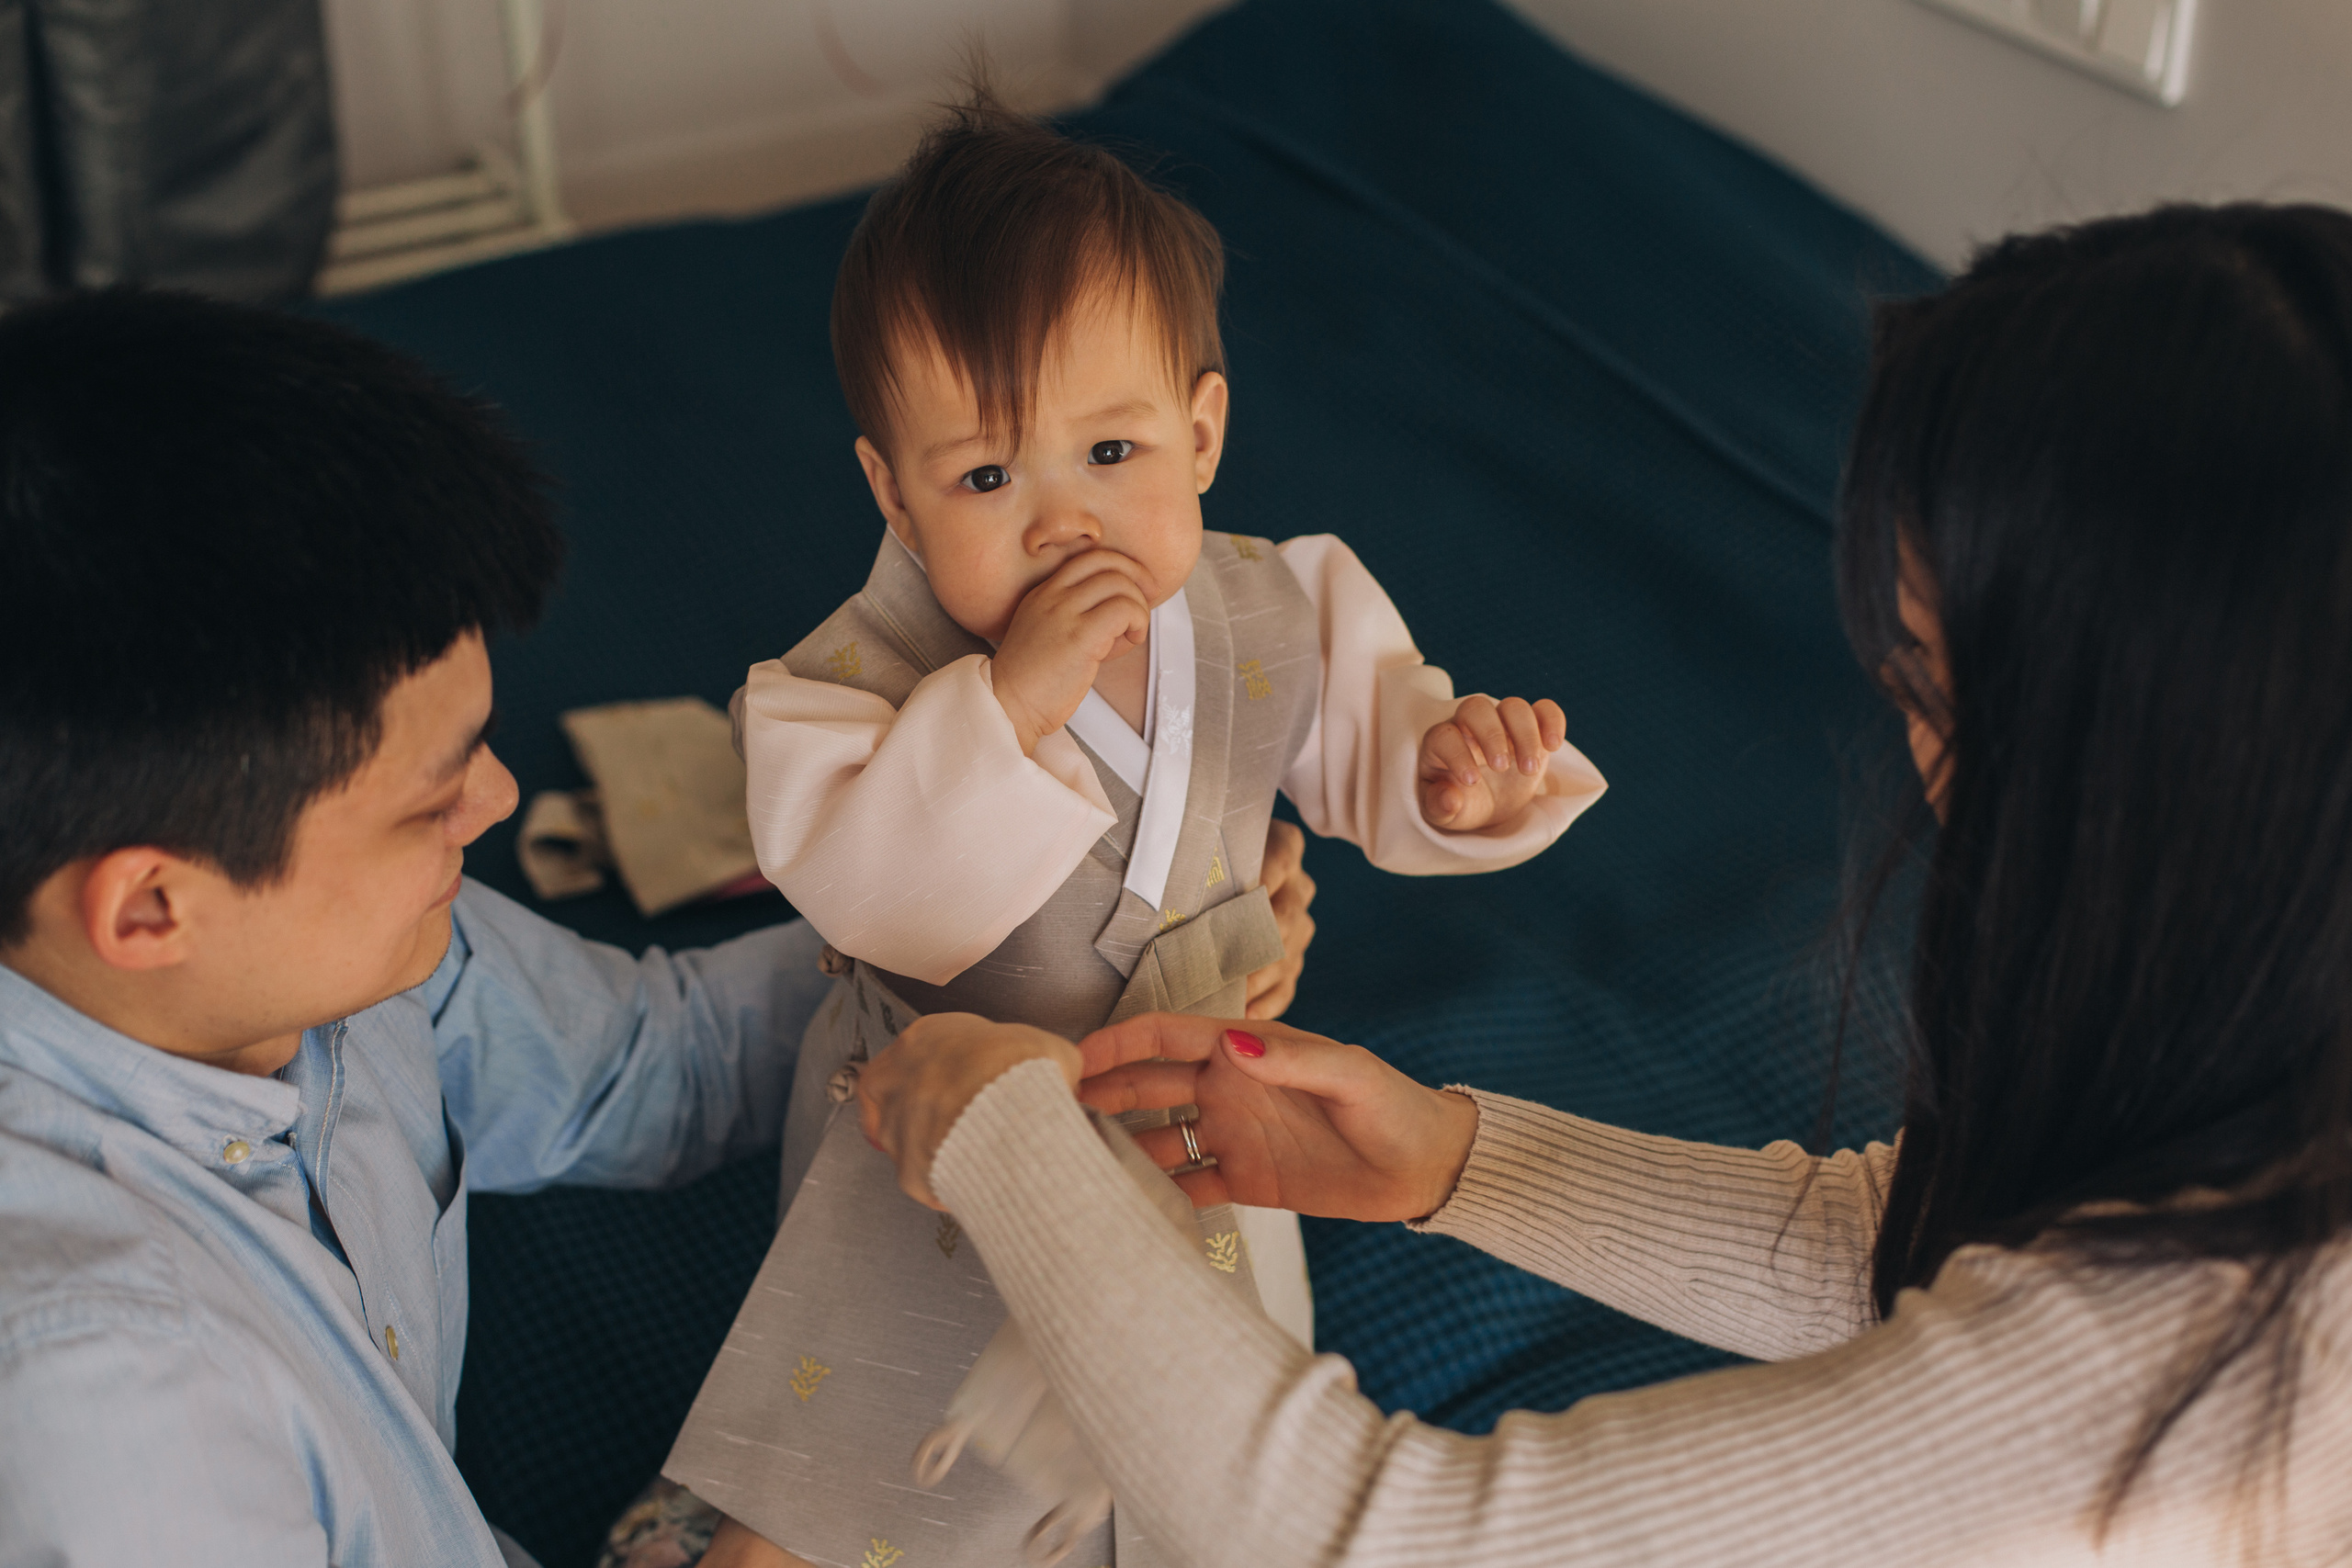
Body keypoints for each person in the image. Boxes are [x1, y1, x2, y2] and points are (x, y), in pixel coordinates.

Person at [835, 201, 2352, 1565]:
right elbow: (1914, 1242)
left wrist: (997, 1128)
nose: (1915, 757)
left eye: (1936, 693)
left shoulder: (2184, 1373)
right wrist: (1445, 1157)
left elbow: (1358, 1533)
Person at [669, 90, 1603, 1568]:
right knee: (893, 1455)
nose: (1061, 523)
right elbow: (869, 890)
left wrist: (1452, 778)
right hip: (945, 1122)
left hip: (1190, 1101)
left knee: (1192, 1428)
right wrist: (1009, 710)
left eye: (1113, 454)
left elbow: (1373, 750)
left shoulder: (1275, 604)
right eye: (986, 477)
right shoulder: (836, 691)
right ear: (895, 499)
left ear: (1203, 428)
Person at [0, 288, 835, 1567]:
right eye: (430, 799)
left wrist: (1016, 930)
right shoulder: (107, 1404)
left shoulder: (309, 950)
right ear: (152, 905)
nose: (497, 802)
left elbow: (648, 1065)